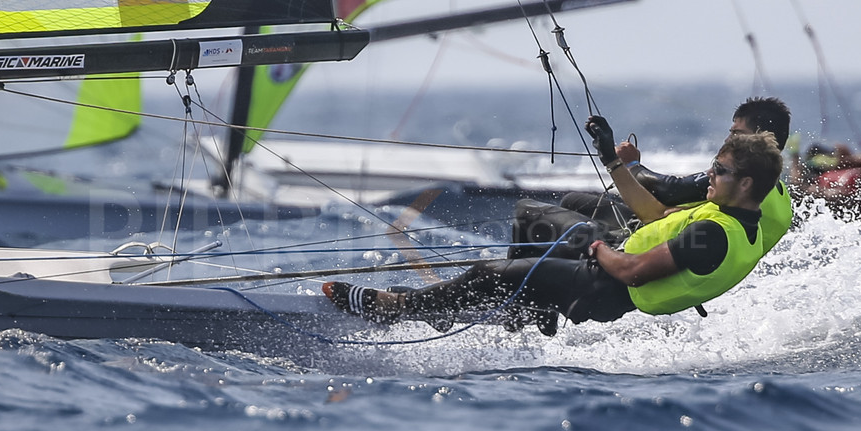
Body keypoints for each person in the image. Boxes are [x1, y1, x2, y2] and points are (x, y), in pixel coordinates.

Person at [322, 122, 784, 335]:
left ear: (744, 183)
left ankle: (395, 307)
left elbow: (634, 272)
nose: (709, 175)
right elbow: (655, 220)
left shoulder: (716, 235)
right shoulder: (731, 220)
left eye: (718, 170)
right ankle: (520, 309)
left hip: (603, 290)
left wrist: (595, 243)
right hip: (607, 266)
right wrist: (609, 171)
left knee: (489, 273)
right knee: (529, 213)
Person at [532, 96, 794, 256]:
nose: (729, 140)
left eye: (737, 133)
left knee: (556, 209)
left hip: (669, 247)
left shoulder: (742, 179)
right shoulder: (774, 189)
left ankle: (545, 293)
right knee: (575, 202)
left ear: (760, 138)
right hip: (688, 244)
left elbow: (669, 190)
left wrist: (630, 164)